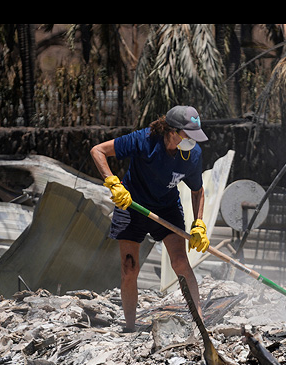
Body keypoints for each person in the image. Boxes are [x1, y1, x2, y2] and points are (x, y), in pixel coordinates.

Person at [90, 105, 210, 332]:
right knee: (129, 269)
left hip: (166, 207)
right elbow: (98, 151)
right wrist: (113, 183)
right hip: (131, 205)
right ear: (172, 131)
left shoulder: (192, 155)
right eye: (188, 135)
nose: (192, 141)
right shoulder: (145, 140)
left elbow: (197, 190)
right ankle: (130, 328)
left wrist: (199, 224)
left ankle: (200, 323)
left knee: (180, 263)